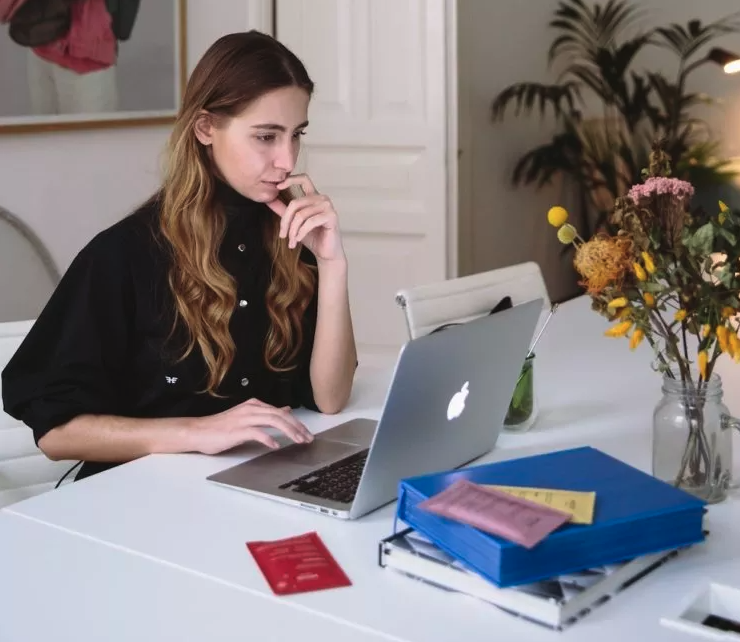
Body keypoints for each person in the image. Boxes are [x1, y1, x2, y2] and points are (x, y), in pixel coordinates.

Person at [1, 30, 358, 482]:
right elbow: (55, 434)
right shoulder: (124, 254)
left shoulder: (291, 237)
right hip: (138, 499)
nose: (287, 160)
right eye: (266, 137)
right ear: (206, 127)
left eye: (296, 135)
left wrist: (332, 264)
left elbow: (330, 398)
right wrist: (196, 432)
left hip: (258, 481)